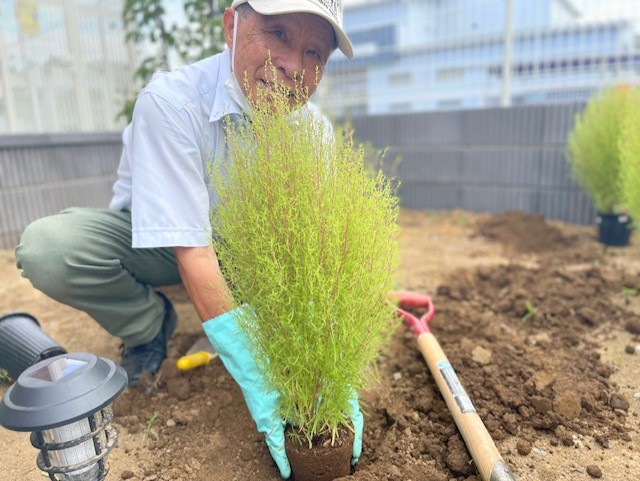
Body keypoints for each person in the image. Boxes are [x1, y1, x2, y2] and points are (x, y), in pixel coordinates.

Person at [14, 0, 361, 478]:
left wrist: (329, 363)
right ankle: (147, 324)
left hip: (247, 260)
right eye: (278, 33)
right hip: (159, 247)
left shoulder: (314, 134)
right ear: (232, 25)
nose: (294, 65)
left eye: (315, 53)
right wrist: (257, 375)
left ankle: (252, 322)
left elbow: (315, 261)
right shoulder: (173, 102)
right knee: (50, 251)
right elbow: (193, 250)